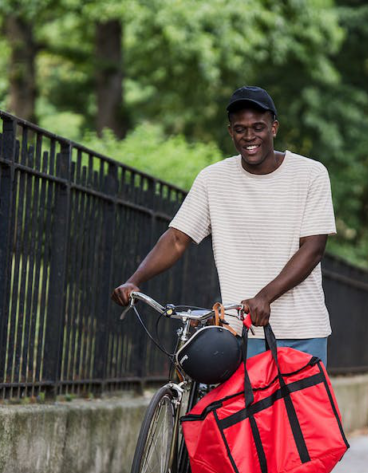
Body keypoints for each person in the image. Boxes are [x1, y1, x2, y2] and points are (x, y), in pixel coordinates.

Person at [111, 86, 336, 364]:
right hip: (240, 332)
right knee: (241, 409)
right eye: (240, 129)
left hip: (302, 329)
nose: (249, 136)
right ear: (230, 132)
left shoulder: (310, 174)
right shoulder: (212, 179)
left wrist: (264, 296)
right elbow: (177, 238)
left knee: (302, 410)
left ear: (274, 127)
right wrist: (135, 280)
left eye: (258, 127)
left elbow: (313, 248)